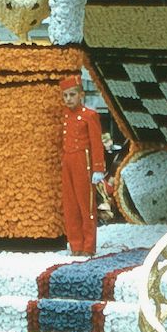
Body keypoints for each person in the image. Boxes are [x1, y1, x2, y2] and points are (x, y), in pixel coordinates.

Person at [60, 75, 105, 256]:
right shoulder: (64, 116)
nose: (69, 99)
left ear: (81, 95)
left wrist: (98, 168)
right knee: (70, 206)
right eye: (65, 96)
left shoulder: (89, 115)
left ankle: (88, 247)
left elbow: (96, 143)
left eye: (72, 95)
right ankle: (75, 245)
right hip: (68, 161)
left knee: (86, 205)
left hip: (83, 161)